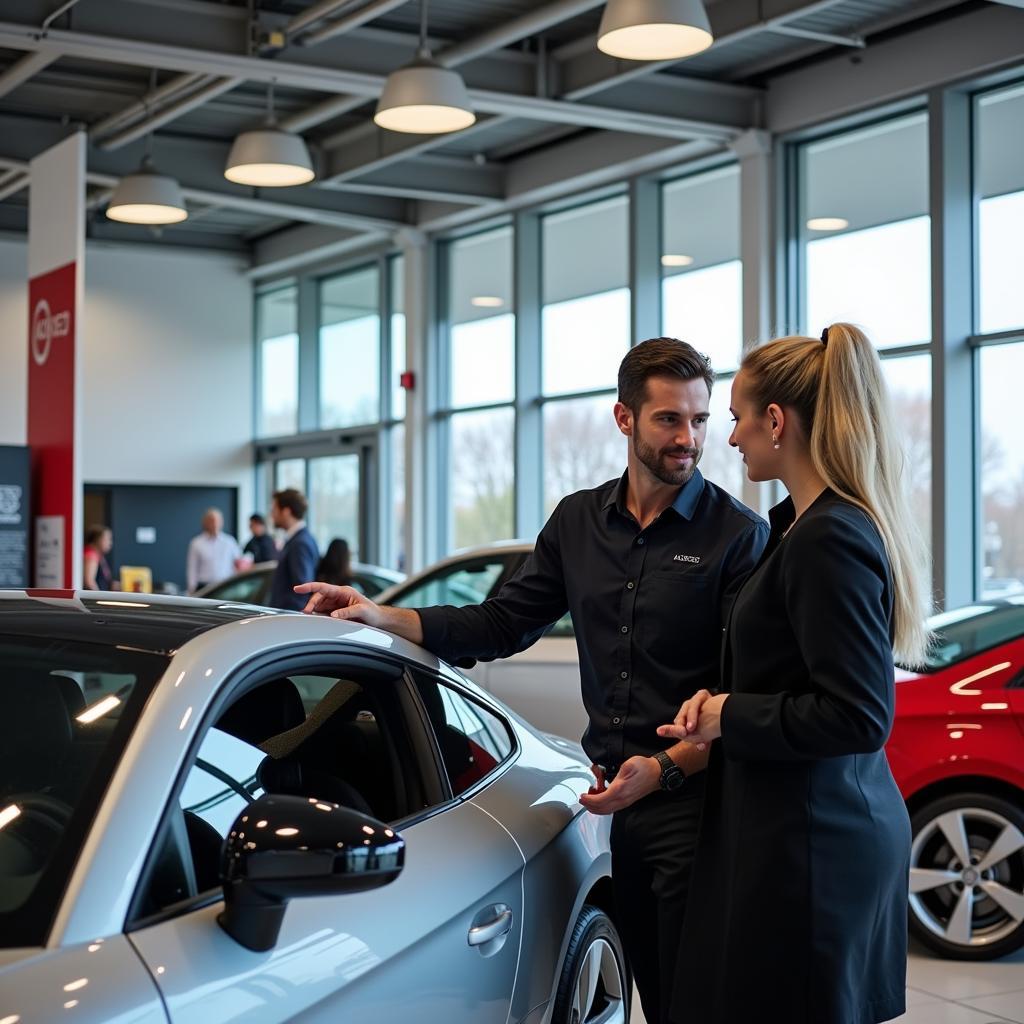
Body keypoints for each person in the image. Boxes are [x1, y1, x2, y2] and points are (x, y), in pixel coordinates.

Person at [294, 337, 769, 1024]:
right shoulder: (578, 522)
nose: (689, 439)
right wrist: (382, 615)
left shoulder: (738, 536)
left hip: (699, 807)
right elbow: (501, 622)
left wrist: (664, 769)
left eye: (699, 420)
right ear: (624, 418)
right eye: (670, 419)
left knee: (694, 1002)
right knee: (651, 991)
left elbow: (741, 700)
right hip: (618, 800)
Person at [657, 323, 931, 1024]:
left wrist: (727, 714)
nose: (732, 438)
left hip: (814, 849)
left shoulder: (827, 537)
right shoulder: (802, 528)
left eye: (738, 419)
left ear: (776, 421)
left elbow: (858, 715)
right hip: (805, 833)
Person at [268, 488, 320, 611]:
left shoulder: (300, 543)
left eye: (274, 510)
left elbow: (302, 590)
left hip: (288, 620)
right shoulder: (297, 539)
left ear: (286, 511)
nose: (272, 515)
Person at [186, 508, 241, 593]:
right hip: (204, 587)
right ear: (205, 523)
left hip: (226, 586)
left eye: (217, 520)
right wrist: (192, 589)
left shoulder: (230, 541)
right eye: (212, 521)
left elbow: (238, 564)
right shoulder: (196, 543)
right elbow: (192, 568)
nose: (215, 524)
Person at [83, 524, 115, 591]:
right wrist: (100, 597)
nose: (110, 543)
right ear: (97, 539)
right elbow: (89, 582)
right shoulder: (91, 555)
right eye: (107, 539)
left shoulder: (99, 555)